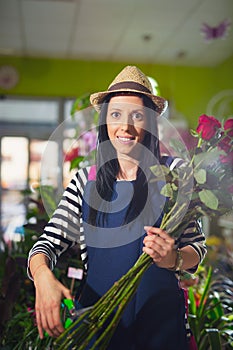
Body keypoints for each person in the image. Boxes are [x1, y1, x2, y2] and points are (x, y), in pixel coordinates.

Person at [27, 65, 206, 349]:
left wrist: (174, 259)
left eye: (138, 115)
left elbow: (197, 248)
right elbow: (46, 245)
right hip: (99, 325)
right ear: (104, 122)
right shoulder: (85, 180)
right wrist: (42, 276)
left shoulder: (176, 174)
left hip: (163, 326)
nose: (126, 126)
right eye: (116, 114)